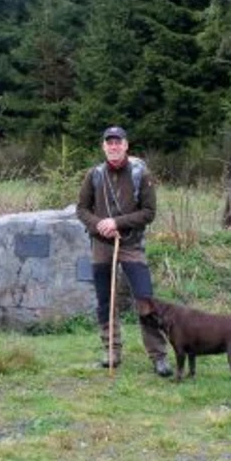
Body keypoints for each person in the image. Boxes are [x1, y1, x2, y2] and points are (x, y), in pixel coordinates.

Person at [76, 125, 172, 377]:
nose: (113, 146)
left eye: (118, 142)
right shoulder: (94, 175)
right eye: (109, 143)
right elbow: (81, 209)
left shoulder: (142, 174)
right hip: (101, 246)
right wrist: (99, 224)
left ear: (126, 145)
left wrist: (117, 223)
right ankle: (111, 351)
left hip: (132, 246)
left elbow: (149, 213)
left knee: (145, 298)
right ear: (103, 146)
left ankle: (159, 356)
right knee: (105, 301)